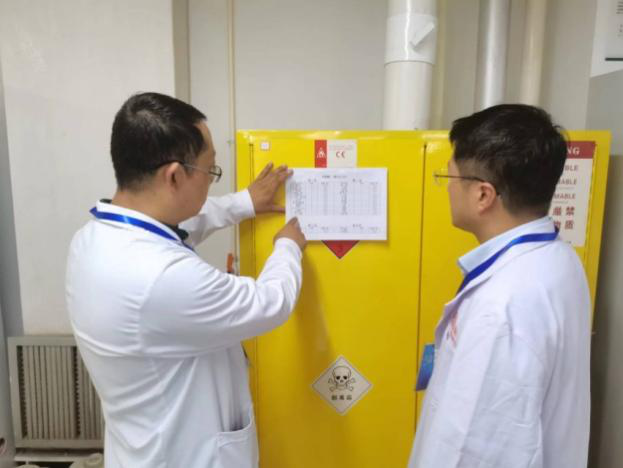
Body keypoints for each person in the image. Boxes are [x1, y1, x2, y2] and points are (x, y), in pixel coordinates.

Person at [65, 92, 306, 468]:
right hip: (185, 456)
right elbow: (270, 302)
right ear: (174, 175)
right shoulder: (162, 278)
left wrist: (243, 202)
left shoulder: (93, 240)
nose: (211, 181)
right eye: (210, 170)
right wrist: (288, 247)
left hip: (142, 446)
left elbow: (182, 225)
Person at [408, 104, 590, 468]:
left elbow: (477, 453)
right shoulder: (558, 259)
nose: (447, 189)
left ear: (483, 195)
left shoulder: (502, 308)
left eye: (449, 178)